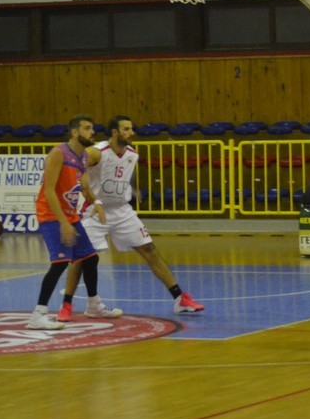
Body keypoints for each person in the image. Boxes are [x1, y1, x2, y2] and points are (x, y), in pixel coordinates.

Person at [56, 116, 204, 321]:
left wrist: (133, 188)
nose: (132, 132)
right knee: (81, 258)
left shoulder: (132, 154)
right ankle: (66, 304)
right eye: (126, 129)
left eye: (131, 128)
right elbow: (77, 166)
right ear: (115, 132)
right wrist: (86, 189)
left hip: (122, 210)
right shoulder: (97, 152)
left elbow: (126, 171)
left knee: (149, 249)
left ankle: (180, 299)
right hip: (95, 211)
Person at [27, 114, 122, 330]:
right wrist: (63, 222)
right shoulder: (58, 153)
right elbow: (49, 190)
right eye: (87, 128)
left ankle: (94, 305)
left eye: (92, 128)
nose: (92, 132)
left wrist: (96, 202)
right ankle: (38, 314)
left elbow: (84, 186)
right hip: (51, 215)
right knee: (60, 263)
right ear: (74, 132)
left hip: (70, 216)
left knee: (90, 258)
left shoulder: (84, 157)